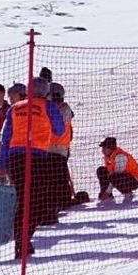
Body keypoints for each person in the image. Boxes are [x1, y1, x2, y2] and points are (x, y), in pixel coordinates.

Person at [0, 77, 67, 258]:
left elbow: (6, 137)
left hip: (14, 157)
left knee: (23, 198)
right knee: (35, 201)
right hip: (36, 157)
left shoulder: (15, 108)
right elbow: (60, 130)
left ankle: (21, 241)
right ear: (45, 91)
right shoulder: (48, 106)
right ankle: (23, 240)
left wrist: (2, 164)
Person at [46, 81, 76, 212]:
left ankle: (63, 200)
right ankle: (56, 200)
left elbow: (57, 127)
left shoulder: (64, 109)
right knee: (52, 175)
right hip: (49, 147)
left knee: (59, 175)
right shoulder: (52, 108)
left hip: (59, 148)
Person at [97, 136, 138, 202]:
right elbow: (110, 173)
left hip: (134, 180)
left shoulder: (120, 157)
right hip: (122, 177)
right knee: (101, 170)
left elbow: (116, 176)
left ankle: (128, 193)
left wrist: (107, 192)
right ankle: (108, 198)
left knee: (114, 177)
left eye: (104, 148)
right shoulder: (108, 156)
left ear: (111, 148)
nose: (102, 150)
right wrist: (105, 191)